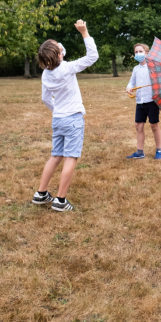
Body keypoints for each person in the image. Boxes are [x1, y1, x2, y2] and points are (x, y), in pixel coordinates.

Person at [32, 20, 98, 212]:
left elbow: (46, 99)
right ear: (59, 56)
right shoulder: (67, 68)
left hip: (58, 118)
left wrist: (57, 110)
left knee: (55, 155)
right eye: (59, 49)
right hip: (73, 119)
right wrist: (84, 32)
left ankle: (41, 193)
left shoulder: (46, 74)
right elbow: (92, 56)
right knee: (71, 157)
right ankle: (60, 200)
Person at [125, 43, 161, 160]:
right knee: (139, 126)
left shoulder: (153, 68)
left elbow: (160, 81)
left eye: (140, 51)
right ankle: (140, 152)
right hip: (140, 102)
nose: (138, 54)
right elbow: (132, 82)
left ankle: (159, 150)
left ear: (147, 53)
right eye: (136, 52)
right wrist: (129, 87)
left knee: (154, 126)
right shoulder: (136, 69)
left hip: (151, 101)